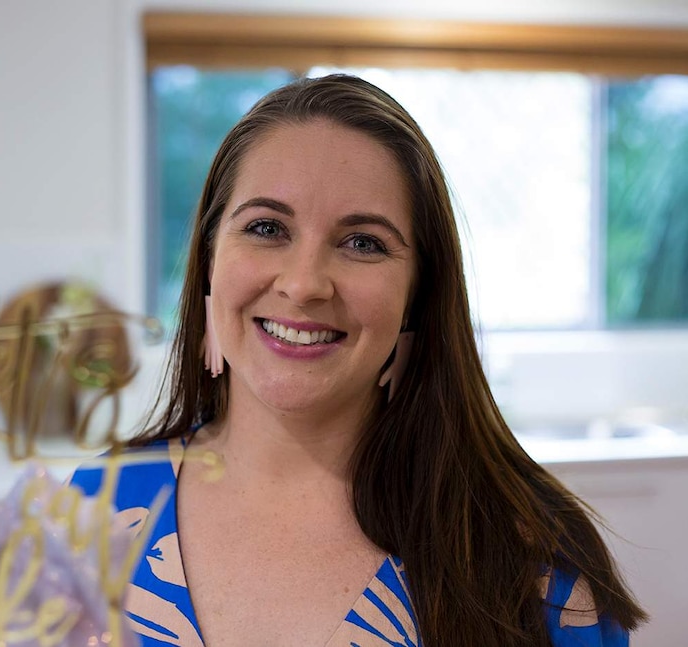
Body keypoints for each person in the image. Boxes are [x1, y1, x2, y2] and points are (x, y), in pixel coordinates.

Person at [71, 74, 646, 646]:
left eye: (363, 242)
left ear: (419, 292)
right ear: (210, 258)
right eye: (266, 228)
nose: (303, 284)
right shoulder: (87, 510)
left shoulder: (532, 566)